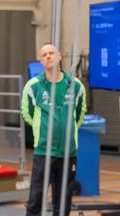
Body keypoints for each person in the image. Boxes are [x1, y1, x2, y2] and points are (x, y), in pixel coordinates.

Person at [21, 43, 86, 216]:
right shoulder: (32, 86)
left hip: (68, 153)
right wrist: (41, 129)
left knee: (63, 202)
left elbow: (79, 113)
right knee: (35, 200)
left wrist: (67, 128)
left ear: (59, 57)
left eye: (51, 53)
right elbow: (27, 114)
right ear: (41, 61)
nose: (48, 56)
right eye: (44, 55)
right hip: (44, 152)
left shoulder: (76, 85)